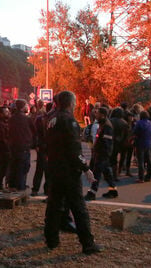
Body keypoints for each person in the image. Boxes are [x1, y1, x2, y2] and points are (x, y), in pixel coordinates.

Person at [44, 91, 103, 254]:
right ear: (70, 103)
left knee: (54, 205)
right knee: (78, 207)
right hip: (68, 171)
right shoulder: (69, 121)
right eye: (75, 101)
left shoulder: (51, 119)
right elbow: (73, 149)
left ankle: (51, 240)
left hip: (54, 167)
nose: (76, 104)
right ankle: (88, 244)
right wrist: (85, 168)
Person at [85, 107, 118, 200]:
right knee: (107, 174)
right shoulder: (103, 124)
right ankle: (113, 190)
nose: (96, 115)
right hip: (101, 154)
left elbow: (107, 142)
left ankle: (92, 193)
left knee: (96, 174)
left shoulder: (107, 126)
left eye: (98, 113)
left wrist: (102, 154)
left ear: (103, 115)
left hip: (102, 154)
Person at [8, 99, 36, 191]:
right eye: (26, 106)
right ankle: (20, 186)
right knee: (23, 167)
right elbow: (34, 130)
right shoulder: (27, 119)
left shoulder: (12, 118)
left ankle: (13, 185)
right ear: (23, 107)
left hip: (13, 145)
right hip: (24, 146)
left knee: (14, 165)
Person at [32, 102, 53, 196]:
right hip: (49, 147)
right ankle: (47, 189)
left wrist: (36, 145)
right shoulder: (53, 119)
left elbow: (35, 133)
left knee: (39, 169)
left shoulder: (40, 118)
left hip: (41, 146)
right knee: (48, 170)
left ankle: (35, 189)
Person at [133, 111, 151, 183]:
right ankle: (149, 176)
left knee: (141, 161)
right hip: (148, 143)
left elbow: (135, 132)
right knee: (149, 160)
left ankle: (141, 178)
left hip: (140, 143)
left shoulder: (139, 123)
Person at [109, 107, 129, 182]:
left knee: (112, 159)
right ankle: (118, 173)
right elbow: (127, 134)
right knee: (121, 157)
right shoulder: (124, 123)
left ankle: (112, 174)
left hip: (112, 141)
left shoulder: (110, 121)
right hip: (121, 142)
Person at [0, 106, 11, 190]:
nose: (8, 113)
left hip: (5, 148)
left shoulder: (6, 122)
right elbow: (3, 139)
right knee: (3, 168)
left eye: (8, 111)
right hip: (3, 149)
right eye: (6, 112)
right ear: (1, 114)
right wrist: (9, 148)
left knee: (4, 168)